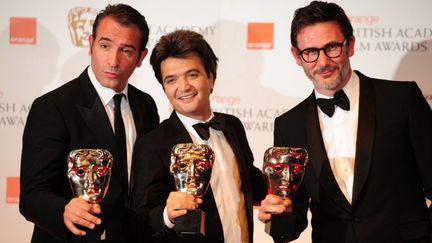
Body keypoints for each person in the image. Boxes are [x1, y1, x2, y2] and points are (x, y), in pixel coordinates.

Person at [257, 1, 432, 243]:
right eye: (310, 52)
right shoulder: (288, 125)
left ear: (350, 45)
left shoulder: (401, 100)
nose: (323, 61)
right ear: (296, 56)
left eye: (332, 47)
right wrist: (277, 215)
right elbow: (292, 222)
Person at [20, 4, 159, 243]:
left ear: (140, 58)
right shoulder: (53, 107)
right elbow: (32, 197)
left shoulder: (146, 106)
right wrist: (64, 210)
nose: (113, 61)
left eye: (126, 50)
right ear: (91, 44)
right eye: (105, 46)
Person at [130, 29, 267, 243]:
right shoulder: (153, 144)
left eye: (192, 75)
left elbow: (248, 181)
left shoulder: (232, 127)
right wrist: (167, 215)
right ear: (164, 88)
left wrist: (278, 188)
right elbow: (140, 220)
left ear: (211, 77)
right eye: (171, 80)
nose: (183, 87)